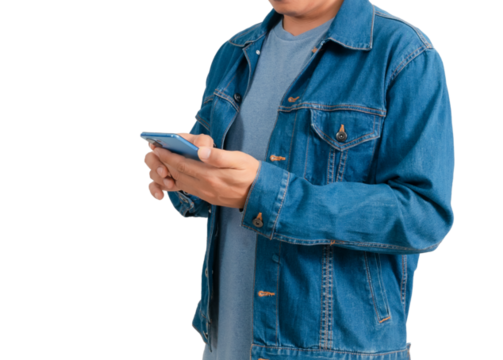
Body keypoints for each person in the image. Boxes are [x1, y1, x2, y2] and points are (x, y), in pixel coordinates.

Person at [142, 0, 454, 359]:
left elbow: (424, 217)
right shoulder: (234, 51)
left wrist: (268, 195)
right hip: (223, 345)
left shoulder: (403, 52)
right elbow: (210, 193)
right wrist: (180, 174)